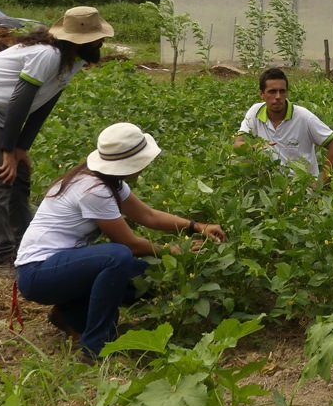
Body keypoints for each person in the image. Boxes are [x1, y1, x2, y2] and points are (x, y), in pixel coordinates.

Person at [14, 122, 227, 362]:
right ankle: (95, 348)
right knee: (117, 257)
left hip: (60, 268)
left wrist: (196, 226)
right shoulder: (93, 189)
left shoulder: (109, 182)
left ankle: (70, 315)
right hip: (38, 273)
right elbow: (131, 245)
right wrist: (173, 250)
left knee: (150, 274)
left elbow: (149, 216)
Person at [0, 6, 115, 274]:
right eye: (98, 37)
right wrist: (6, 150)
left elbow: (46, 101)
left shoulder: (73, 60)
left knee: (21, 176)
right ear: (80, 40)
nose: (102, 42)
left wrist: (20, 147)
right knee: (0, 178)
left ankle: (27, 247)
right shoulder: (46, 55)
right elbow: (21, 100)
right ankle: (2, 257)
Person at [233, 67, 333, 186]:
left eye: (282, 91)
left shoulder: (303, 117)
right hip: (270, 183)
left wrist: (321, 183)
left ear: (287, 93)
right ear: (261, 94)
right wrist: (257, 146)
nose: (278, 96)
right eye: (272, 91)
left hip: (301, 185)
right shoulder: (255, 112)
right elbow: (237, 144)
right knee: (235, 161)